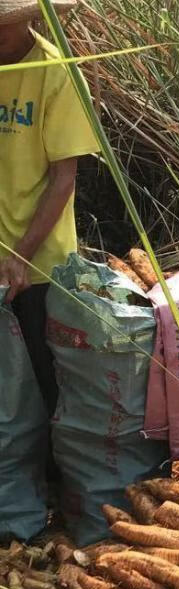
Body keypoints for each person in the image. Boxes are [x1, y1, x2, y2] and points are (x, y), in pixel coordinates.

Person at [0, 0, 99, 419]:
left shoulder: (54, 72)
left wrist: (20, 256)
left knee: (44, 382)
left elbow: (64, 179)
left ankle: (49, 477)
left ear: (27, 20)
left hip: (37, 263)